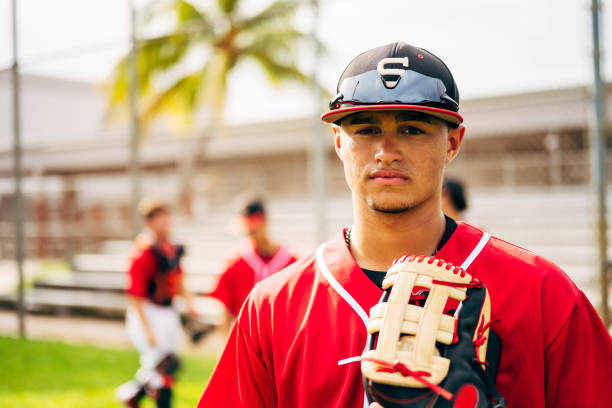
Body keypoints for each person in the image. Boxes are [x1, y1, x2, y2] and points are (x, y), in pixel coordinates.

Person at [198, 42, 612, 407]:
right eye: (367, 128)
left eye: (412, 129)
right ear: (340, 143)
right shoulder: (271, 308)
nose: (387, 151)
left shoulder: (543, 294)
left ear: (452, 142)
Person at [116, 198, 195, 408]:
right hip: (148, 312)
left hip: (168, 310)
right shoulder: (141, 253)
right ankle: (141, 396)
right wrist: (147, 329)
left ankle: (132, 394)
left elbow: (178, 280)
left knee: (169, 363)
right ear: (149, 222)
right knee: (160, 365)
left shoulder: (169, 250)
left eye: (166, 218)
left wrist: (190, 305)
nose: (165, 223)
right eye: (159, 219)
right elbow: (135, 295)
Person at [208, 194, 297, 335]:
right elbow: (225, 311)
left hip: (282, 339)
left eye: (254, 226)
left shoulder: (291, 262)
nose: (252, 232)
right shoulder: (233, 261)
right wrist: (224, 346)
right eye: (249, 228)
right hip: (247, 340)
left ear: (265, 220)